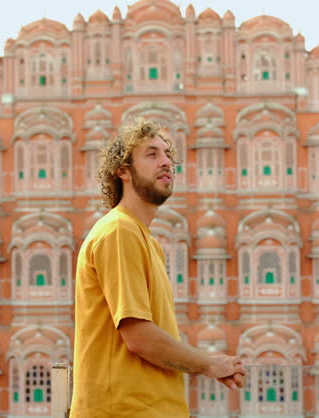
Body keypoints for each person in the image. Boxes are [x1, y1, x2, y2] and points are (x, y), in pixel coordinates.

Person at [70, 119, 246, 417]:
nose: (166, 162)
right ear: (122, 170)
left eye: (167, 154)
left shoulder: (143, 238)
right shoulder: (119, 232)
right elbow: (139, 336)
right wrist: (208, 363)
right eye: (151, 154)